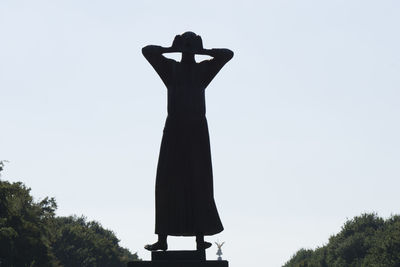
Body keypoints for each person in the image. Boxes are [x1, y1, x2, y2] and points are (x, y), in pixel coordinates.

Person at [142, 32, 233, 251]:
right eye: (185, 47)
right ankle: (162, 240)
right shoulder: (171, 69)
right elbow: (147, 51)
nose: (187, 51)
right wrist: (172, 48)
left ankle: (200, 239)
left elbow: (228, 54)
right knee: (166, 184)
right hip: (174, 130)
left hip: (196, 132)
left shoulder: (203, 71)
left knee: (199, 183)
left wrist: (202, 51)